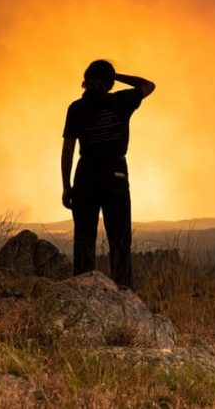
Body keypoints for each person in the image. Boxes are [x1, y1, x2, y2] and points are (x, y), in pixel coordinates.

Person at [61, 60, 155, 288]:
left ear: (85, 82)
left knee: (84, 239)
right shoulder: (122, 101)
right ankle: (123, 294)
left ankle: (83, 293)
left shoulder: (76, 108)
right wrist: (116, 76)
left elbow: (68, 152)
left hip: (86, 175)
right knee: (120, 240)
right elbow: (148, 85)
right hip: (116, 174)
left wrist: (67, 187)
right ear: (110, 83)